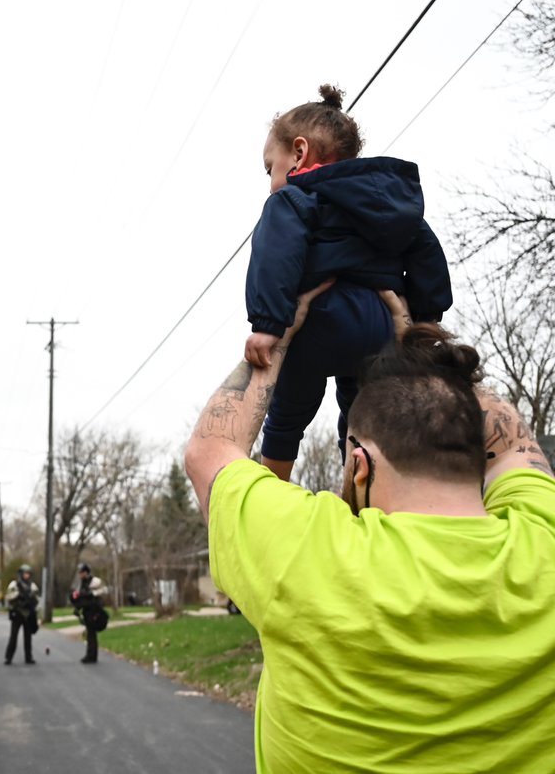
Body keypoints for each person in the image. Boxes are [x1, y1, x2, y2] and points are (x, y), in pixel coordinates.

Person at [185, 285, 555, 773]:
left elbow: (209, 452)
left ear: (360, 465)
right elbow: (512, 444)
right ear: (472, 457)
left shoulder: (308, 553)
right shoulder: (543, 540)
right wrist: (423, 348)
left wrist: (279, 335)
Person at [243, 84, 452, 482]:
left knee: (288, 414)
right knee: (363, 417)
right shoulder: (392, 205)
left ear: (299, 153)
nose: (271, 182)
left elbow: (277, 253)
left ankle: (273, 486)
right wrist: (425, 318)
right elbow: (426, 251)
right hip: (381, 326)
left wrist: (268, 324)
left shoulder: (294, 199)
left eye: (270, 168)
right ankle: (359, 492)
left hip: (317, 320)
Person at [69, 563, 108, 664]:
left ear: (86, 572)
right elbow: (77, 596)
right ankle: (90, 655)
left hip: (94, 611)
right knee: (90, 633)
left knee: (91, 633)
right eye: (79, 573)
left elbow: (103, 591)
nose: (80, 574)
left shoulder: (95, 581)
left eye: (81, 572)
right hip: (86, 611)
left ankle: (91, 656)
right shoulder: (80, 584)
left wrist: (91, 594)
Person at [3, 564, 40, 666]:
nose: (26, 575)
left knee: (28, 637)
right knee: (13, 637)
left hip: (28, 614)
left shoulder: (32, 586)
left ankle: (29, 657)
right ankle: (8, 658)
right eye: (25, 573)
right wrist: (18, 597)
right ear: (21, 574)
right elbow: (9, 597)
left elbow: (36, 600)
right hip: (17, 613)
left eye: (28, 574)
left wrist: (32, 604)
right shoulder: (14, 585)